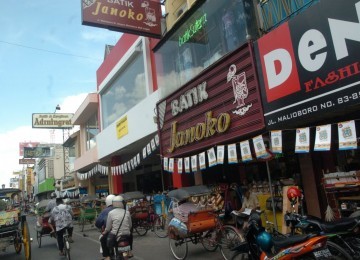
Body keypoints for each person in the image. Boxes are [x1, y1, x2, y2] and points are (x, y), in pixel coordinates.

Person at [102, 195, 132, 260]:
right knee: (131, 236)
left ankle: (107, 256)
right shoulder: (127, 212)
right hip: (126, 235)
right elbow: (130, 225)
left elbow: (108, 227)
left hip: (115, 235)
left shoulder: (111, 213)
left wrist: (105, 232)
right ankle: (129, 252)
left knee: (103, 239)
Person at [96, 194, 115, 260]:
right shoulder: (122, 209)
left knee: (102, 239)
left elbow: (98, 223)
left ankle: (107, 256)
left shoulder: (105, 211)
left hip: (111, 232)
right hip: (123, 232)